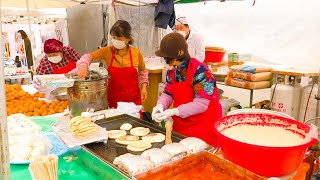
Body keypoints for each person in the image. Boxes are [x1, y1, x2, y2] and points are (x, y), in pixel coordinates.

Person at [152, 33, 222, 146]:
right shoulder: (172, 70)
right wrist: (160, 105)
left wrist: (175, 111)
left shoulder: (200, 70)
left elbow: (201, 104)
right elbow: (168, 93)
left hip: (203, 125)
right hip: (182, 124)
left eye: (168, 58)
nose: (166, 61)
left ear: (179, 54)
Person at [76, 20, 148, 110]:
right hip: (114, 100)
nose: (116, 40)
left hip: (133, 101)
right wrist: (83, 65)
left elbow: (143, 72)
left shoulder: (136, 53)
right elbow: (88, 56)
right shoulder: (107, 51)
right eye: (114, 37)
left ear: (128, 39)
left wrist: (144, 87)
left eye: (119, 38)